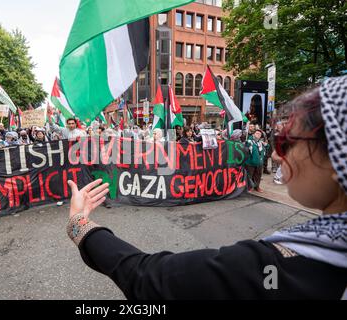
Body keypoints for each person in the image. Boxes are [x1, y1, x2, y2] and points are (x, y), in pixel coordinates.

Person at [65, 76, 347, 299]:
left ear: (338, 158)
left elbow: (150, 280)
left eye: (286, 142)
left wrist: (79, 224)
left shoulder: (277, 268)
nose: (274, 155)